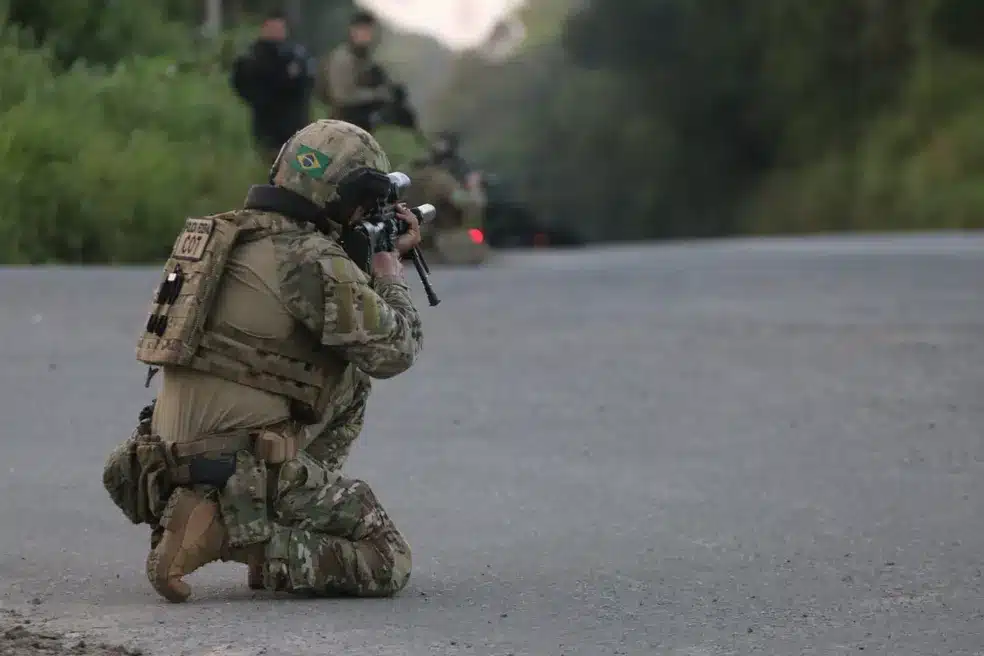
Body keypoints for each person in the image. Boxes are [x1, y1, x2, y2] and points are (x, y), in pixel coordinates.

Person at [106, 120, 423, 603]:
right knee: (386, 557)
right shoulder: (310, 258)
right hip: (231, 467)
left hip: (159, 466)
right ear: (345, 197)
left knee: (346, 374)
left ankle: (213, 515)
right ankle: (244, 535)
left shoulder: (224, 235)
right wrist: (389, 273)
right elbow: (393, 350)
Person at [231, 10, 316, 164]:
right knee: (275, 174)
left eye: (280, 28)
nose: (276, 32)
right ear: (264, 29)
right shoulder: (253, 57)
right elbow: (241, 84)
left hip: (298, 128)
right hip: (268, 130)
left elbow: (308, 82)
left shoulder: (297, 54)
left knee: (312, 171)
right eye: (272, 28)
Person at [318, 10, 395, 133]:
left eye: (368, 30)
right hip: (341, 125)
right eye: (361, 30)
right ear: (352, 31)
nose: (365, 34)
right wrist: (377, 94)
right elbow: (341, 96)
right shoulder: (342, 58)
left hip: (361, 126)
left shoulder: (367, 59)